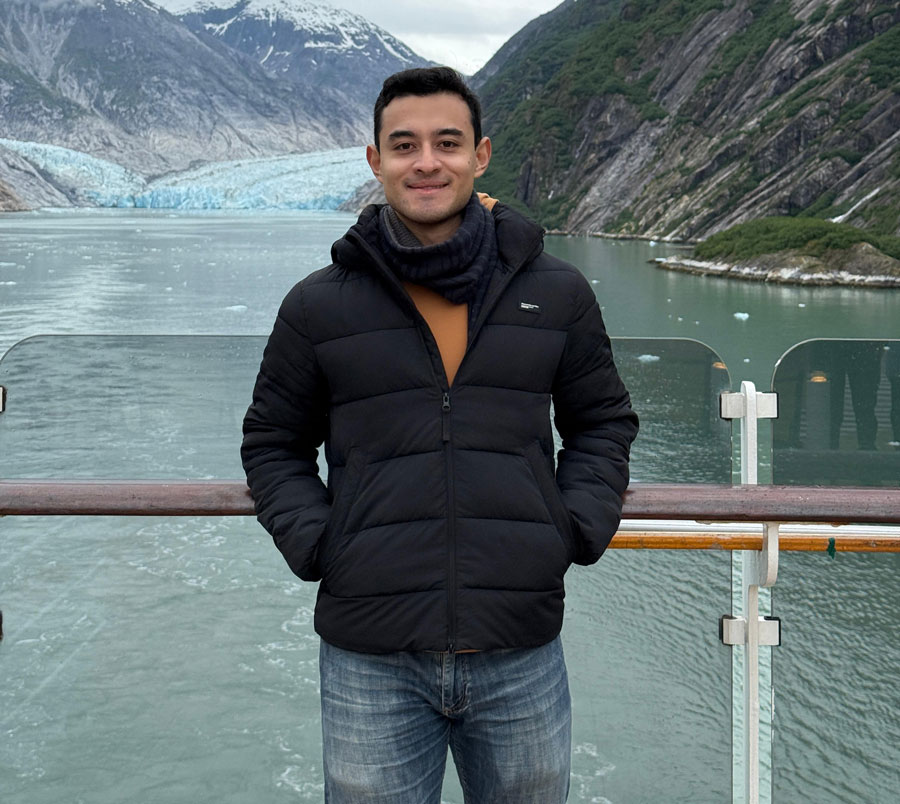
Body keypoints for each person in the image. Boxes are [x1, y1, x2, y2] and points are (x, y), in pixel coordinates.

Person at [242, 66, 638, 803]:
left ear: (481, 155)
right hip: (371, 651)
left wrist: (572, 528)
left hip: (518, 640)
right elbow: (272, 443)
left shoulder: (555, 292)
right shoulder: (317, 307)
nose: (427, 162)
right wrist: (323, 545)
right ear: (376, 161)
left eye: (447, 143)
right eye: (405, 145)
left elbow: (602, 422)